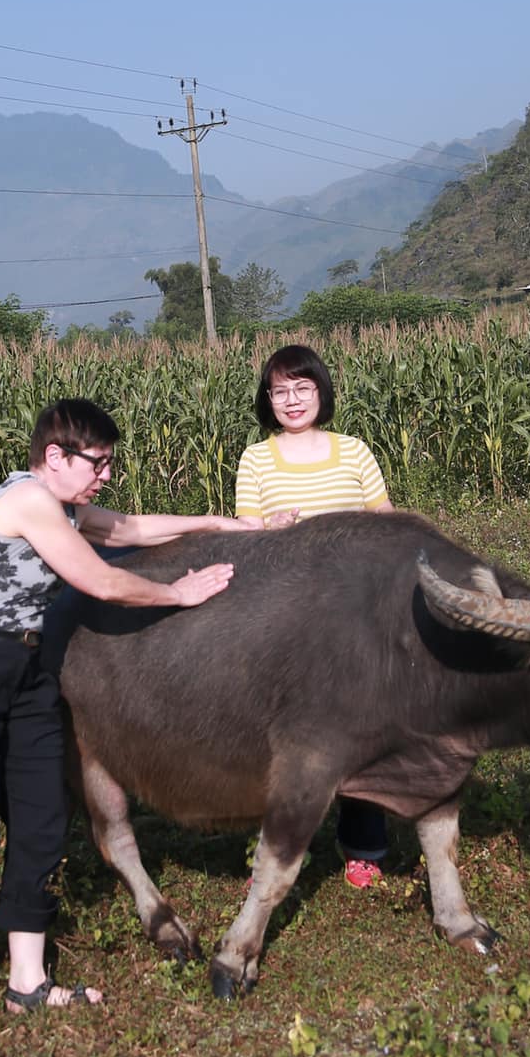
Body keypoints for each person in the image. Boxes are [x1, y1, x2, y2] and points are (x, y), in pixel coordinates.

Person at [0, 396, 258, 1036]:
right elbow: (100, 580)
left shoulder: (64, 506)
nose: (105, 475)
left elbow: (128, 529)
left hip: (27, 669)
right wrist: (178, 593)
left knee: (43, 820)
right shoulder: (26, 502)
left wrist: (222, 523)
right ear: (55, 456)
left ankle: (27, 981)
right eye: (97, 463)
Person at [234, 343, 394, 889]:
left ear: (321, 392)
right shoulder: (256, 459)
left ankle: (364, 844)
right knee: (280, 736)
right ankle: (278, 843)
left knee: (361, 728)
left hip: (356, 611)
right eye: (280, 391)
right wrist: (267, 528)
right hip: (287, 615)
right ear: (268, 401)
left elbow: (387, 523)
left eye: (303, 387)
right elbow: (243, 537)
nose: (292, 399)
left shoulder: (354, 451)